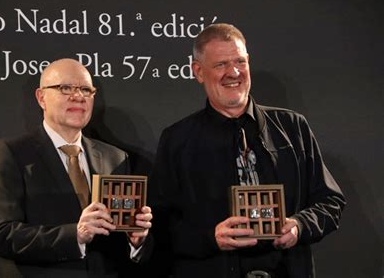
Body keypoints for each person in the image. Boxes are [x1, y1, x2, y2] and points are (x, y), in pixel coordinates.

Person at [148, 23, 346, 278]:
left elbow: (331, 201)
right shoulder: (177, 139)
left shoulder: (293, 127)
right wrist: (211, 238)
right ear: (198, 71)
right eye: (221, 64)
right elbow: (159, 226)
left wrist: (299, 226)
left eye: (240, 62)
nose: (233, 72)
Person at [0, 58, 152, 278]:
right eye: (65, 88)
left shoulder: (115, 158)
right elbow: (1, 235)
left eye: (85, 89)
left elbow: (120, 239)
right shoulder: (11, 152)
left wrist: (137, 239)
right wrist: (76, 235)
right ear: (41, 98)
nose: (78, 96)